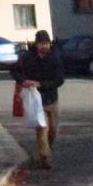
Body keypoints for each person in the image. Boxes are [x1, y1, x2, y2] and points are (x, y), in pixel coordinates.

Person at [14, 29, 65, 169]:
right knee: (42, 128)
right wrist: (23, 81)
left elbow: (60, 79)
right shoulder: (27, 58)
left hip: (52, 98)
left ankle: (47, 149)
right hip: (36, 100)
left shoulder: (55, 58)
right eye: (41, 44)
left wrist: (42, 84)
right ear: (36, 44)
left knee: (53, 130)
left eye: (46, 43)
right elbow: (15, 71)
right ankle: (45, 157)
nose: (44, 46)